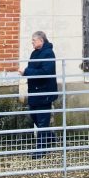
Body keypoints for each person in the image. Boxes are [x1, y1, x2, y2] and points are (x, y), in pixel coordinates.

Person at [20, 31, 58, 159]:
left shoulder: (48, 53)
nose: (32, 42)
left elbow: (45, 72)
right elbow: (35, 69)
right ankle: (50, 137)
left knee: (42, 121)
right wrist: (27, 71)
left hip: (44, 92)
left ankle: (41, 150)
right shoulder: (35, 53)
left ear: (41, 40)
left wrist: (26, 71)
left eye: (33, 40)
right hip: (34, 91)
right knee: (34, 116)